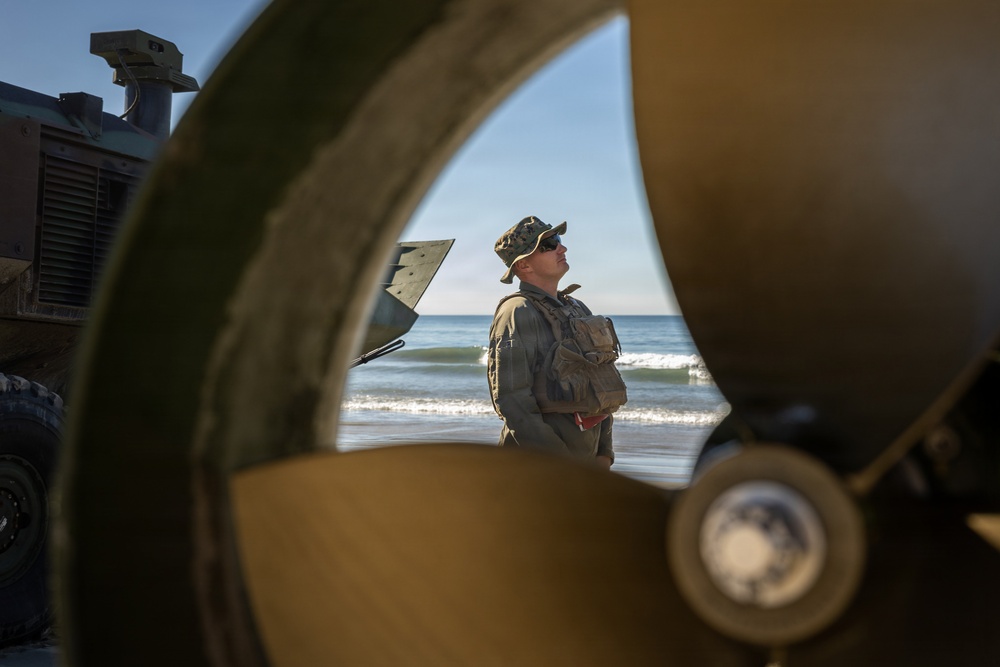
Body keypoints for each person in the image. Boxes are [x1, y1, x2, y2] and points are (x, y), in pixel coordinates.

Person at [487, 215, 627, 468]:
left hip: (587, 460)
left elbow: (601, 383)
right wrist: (560, 465)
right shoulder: (518, 311)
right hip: (537, 467)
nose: (561, 248)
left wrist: (604, 453)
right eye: (548, 245)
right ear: (523, 266)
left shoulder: (577, 308)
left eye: (558, 240)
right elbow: (512, 400)